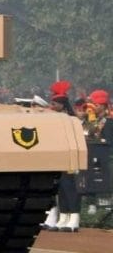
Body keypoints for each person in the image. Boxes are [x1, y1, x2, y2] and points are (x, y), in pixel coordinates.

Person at [42, 80, 81, 232]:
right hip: (58, 157)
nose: (52, 106)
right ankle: (64, 217)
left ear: (62, 104)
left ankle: (74, 218)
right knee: (61, 189)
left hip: (70, 157)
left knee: (70, 188)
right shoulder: (54, 118)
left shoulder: (72, 119)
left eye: (55, 104)